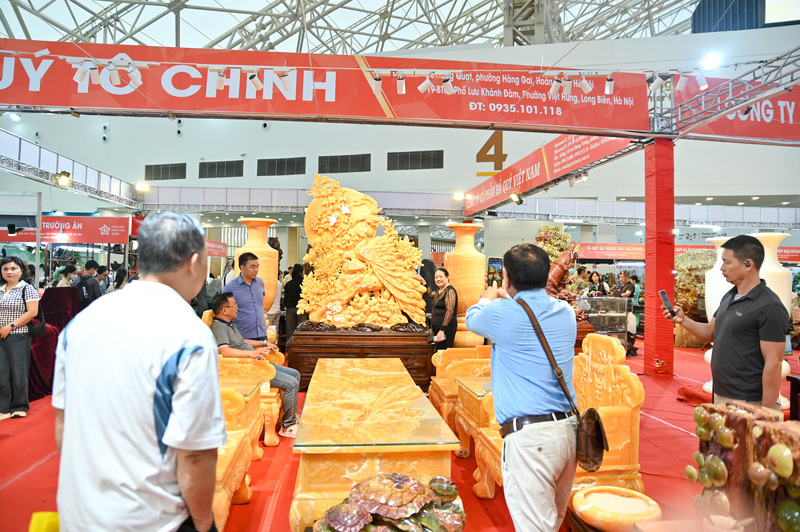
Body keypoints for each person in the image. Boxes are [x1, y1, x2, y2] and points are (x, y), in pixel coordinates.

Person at [52, 211, 227, 531]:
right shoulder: (189, 335)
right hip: (152, 519)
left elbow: (63, 427)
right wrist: (204, 524)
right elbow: (194, 456)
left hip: (78, 513)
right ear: (194, 262)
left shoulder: (80, 324)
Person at [465, 243, 577, 531]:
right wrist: (507, 299)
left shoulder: (500, 312)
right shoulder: (565, 312)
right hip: (568, 433)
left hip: (532, 440)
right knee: (550, 521)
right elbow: (527, 317)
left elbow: (472, 319)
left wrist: (487, 298)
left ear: (507, 278)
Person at [663, 234, 790, 408]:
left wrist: (766, 414)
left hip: (749, 400)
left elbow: (774, 362)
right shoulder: (730, 296)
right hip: (722, 392)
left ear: (748, 264)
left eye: (727, 262)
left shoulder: (769, 306)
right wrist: (683, 320)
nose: (722, 268)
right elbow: (712, 332)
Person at [210, 292, 301, 438]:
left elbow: (242, 342)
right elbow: (225, 351)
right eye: (234, 305)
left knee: (295, 373)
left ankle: (290, 415)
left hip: (257, 364)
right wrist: (250, 354)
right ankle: (288, 426)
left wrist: (264, 343)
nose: (237, 308)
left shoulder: (228, 324)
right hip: (248, 370)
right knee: (291, 383)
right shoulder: (219, 328)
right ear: (225, 310)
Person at [0, 257, 40, 420]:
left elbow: (32, 312)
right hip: (1, 335)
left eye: (13, 268)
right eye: (5, 269)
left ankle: (19, 406)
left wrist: (10, 326)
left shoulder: (27, 288)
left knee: (18, 372)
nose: (9, 272)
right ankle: (3, 407)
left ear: (21, 271)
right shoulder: (1, 289)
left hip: (18, 335)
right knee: (1, 373)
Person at [222, 253, 268, 341]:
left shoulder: (260, 283)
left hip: (261, 333)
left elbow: (262, 304)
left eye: (258, 266)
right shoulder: (230, 288)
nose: (256, 270)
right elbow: (224, 313)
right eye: (253, 267)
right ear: (242, 268)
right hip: (242, 336)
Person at [422, 267, 458, 351]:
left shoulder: (450, 291)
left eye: (441, 277)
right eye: (436, 277)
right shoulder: (440, 291)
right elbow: (430, 294)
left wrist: (442, 330)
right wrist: (423, 282)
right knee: (438, 353)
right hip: (438, 328)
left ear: (447, 277)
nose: (438, 279)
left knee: (443, 353)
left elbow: (450, 311)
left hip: (445, 329)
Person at [283, 264, 306, 343]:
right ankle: (301, 349)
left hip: (290, 308)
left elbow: (286, 298)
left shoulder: (288, 284)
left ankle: (289, 350)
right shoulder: (305, 283)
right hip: (302, 309)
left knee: (290, 331)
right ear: (300, 272)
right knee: (302, 331)